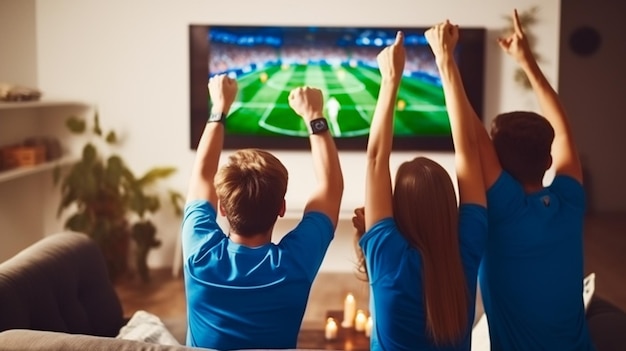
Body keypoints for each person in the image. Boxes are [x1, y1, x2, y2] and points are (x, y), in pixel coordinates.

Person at [181, 74, 344, 350]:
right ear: (282, 208)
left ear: (222, 206)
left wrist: (218, 109)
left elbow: (201, 176)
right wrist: (314, 115)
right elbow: (331, 185)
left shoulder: (199, 256)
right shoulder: (295, 265)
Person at [351, 25, 487, 350]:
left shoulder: (388, 255)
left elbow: (374, 160)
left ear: (399, 206)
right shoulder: (467, 247)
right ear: (448, 203)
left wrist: (391, 78)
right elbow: (468, 149)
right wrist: (445, 61)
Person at [472, 9, 595, 350]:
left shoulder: (504, 210)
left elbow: (562, 134)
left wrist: (447, 64)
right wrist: (527, 62)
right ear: (549, 160)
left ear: (495, 164)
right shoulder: (569, 201)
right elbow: (565, 132)